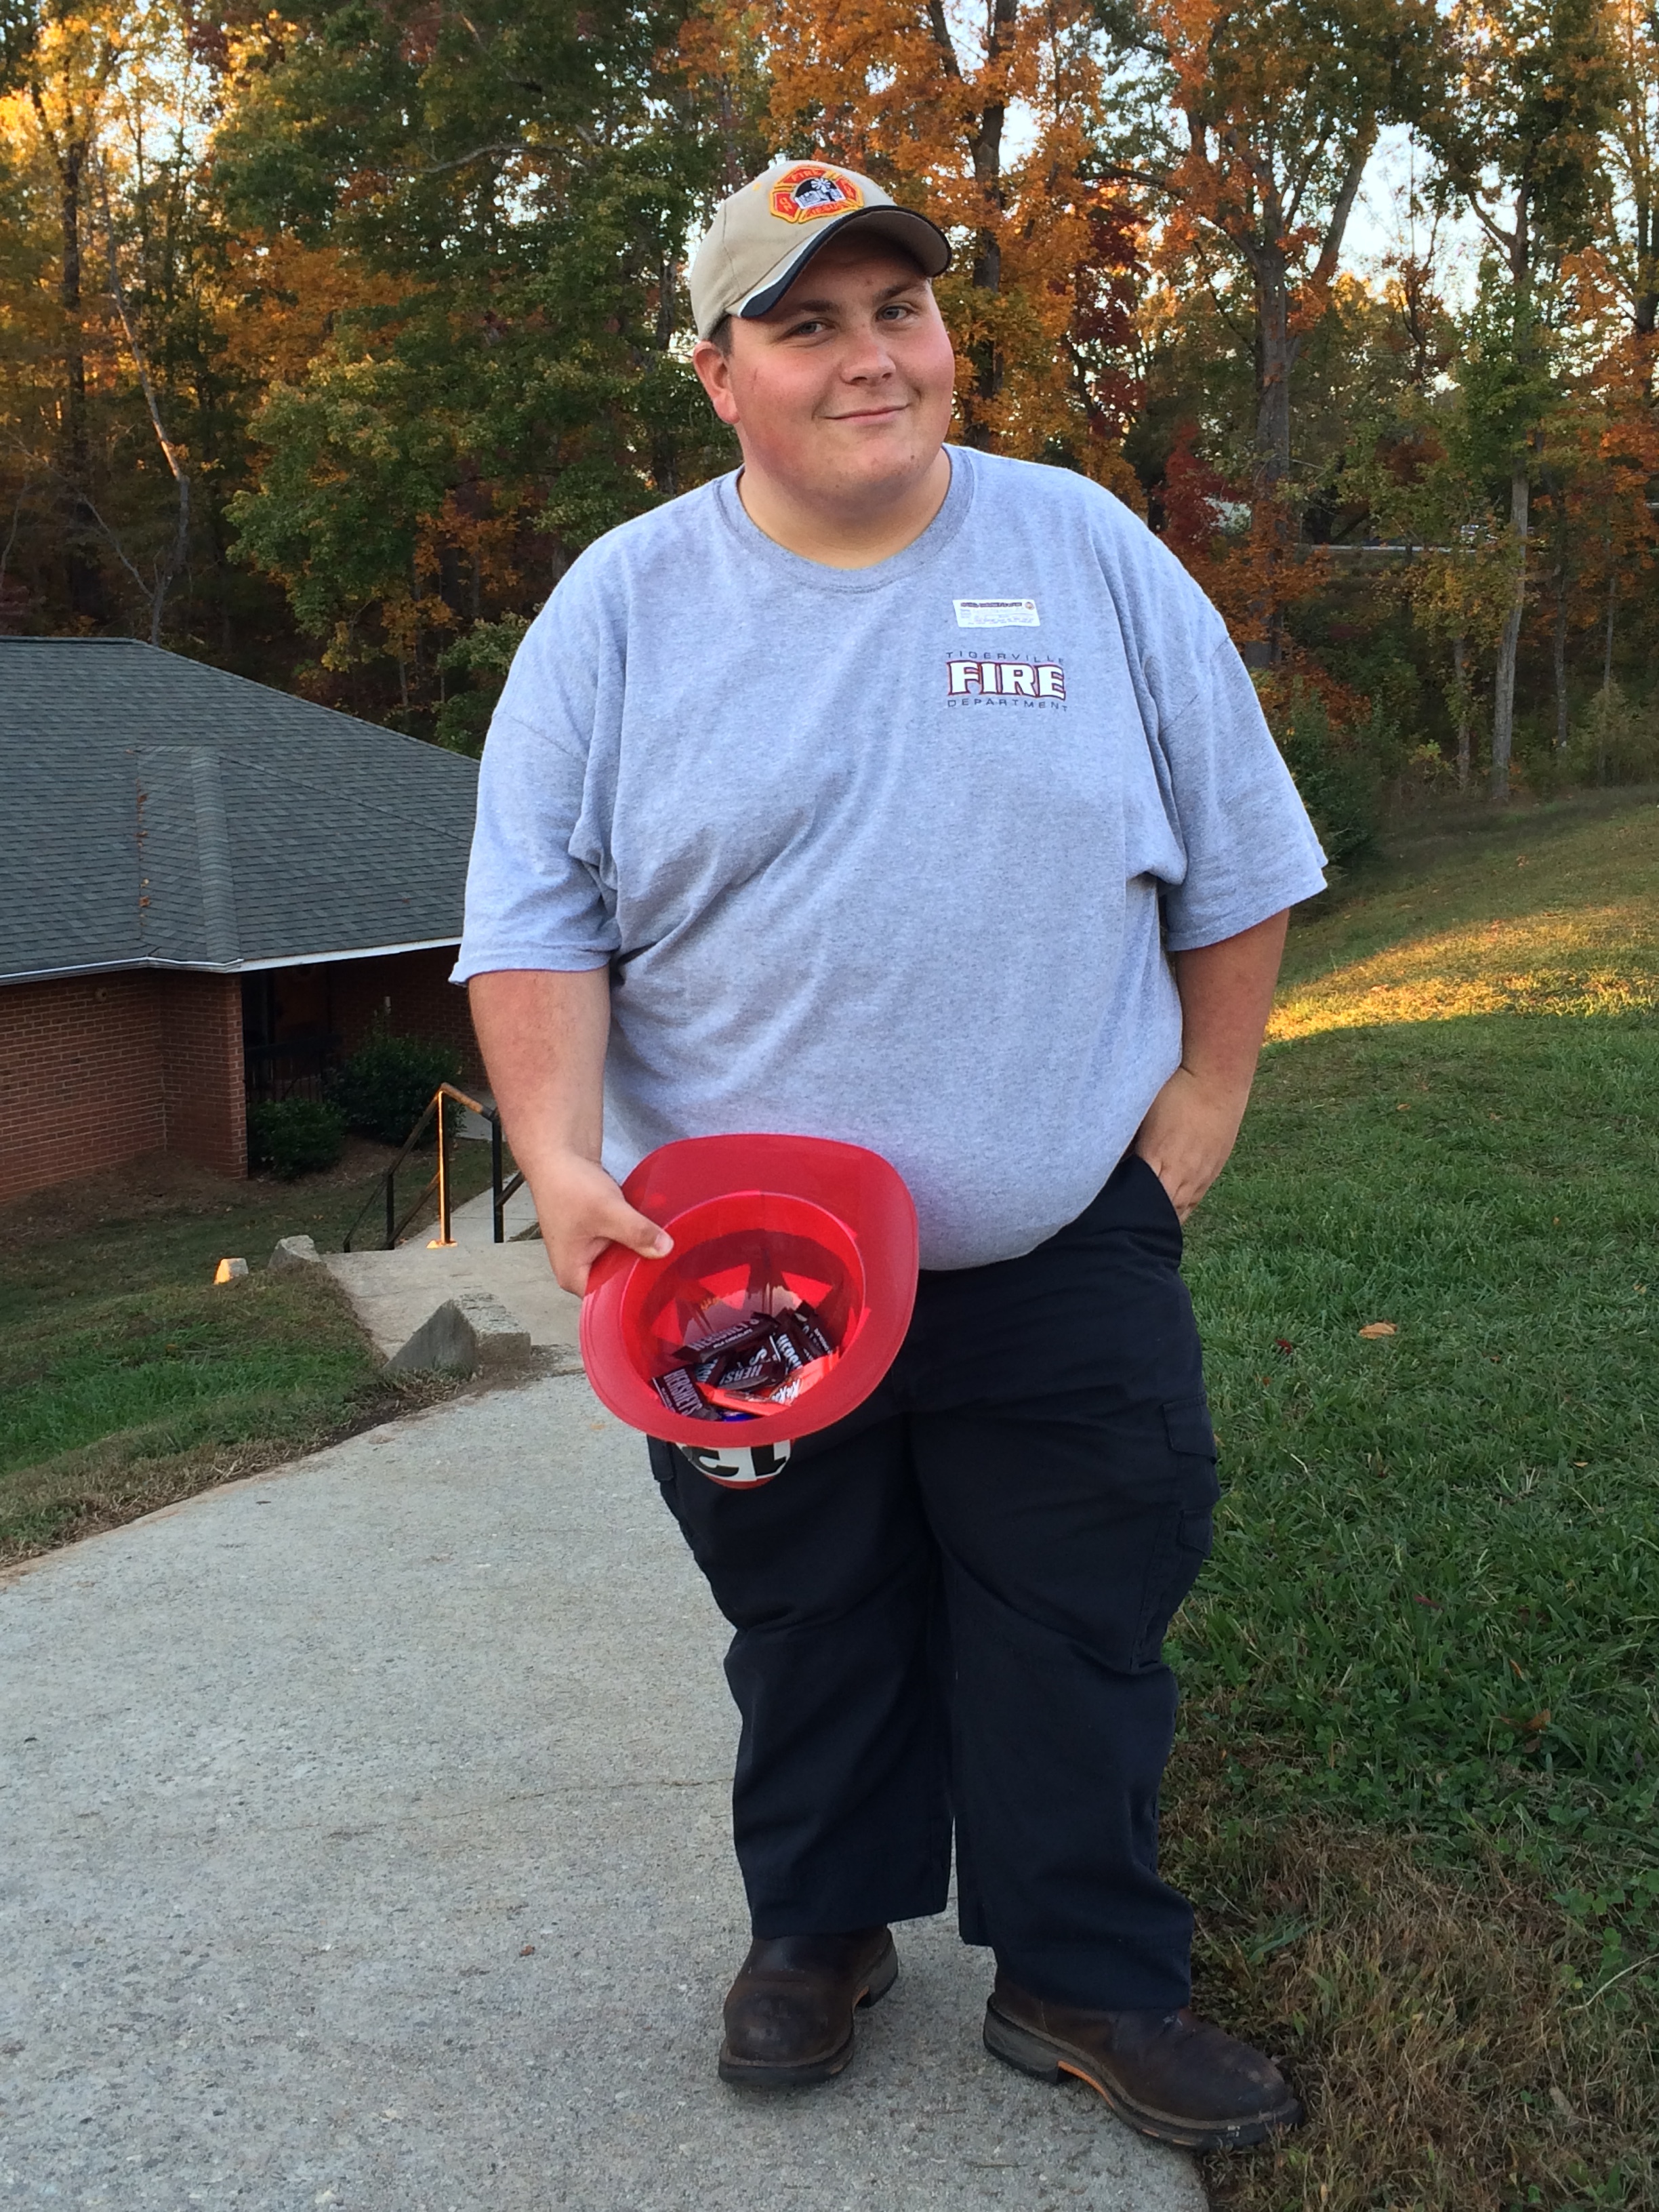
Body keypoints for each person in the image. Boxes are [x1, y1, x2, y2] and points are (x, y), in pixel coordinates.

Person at [455, 157, 1327, 2154]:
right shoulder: (619, 611)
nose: (873, 358)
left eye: (899, 312)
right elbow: (537, 919)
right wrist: (560, 1156)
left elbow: (1243, 848)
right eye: (809, 322)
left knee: (1077, 1609)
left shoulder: (1085, 553)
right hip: (743, 1273)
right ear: (719, 373)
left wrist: (1199, 1110)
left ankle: (1086, 1975)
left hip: (1058, 1242)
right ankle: (821, 1927)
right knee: (808, 1605)